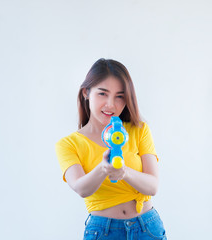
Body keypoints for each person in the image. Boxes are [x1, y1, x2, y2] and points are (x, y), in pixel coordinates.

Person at [55, 58, 167, 240]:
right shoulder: (68, 144)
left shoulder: (139, 130)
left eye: (120, 96)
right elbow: (81, 188)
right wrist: (103, 169)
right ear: (86, 93)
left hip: (147, 227)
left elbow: (153, 186)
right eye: (103, 94)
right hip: (103, 232)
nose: (111, 104)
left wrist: (124, 172)